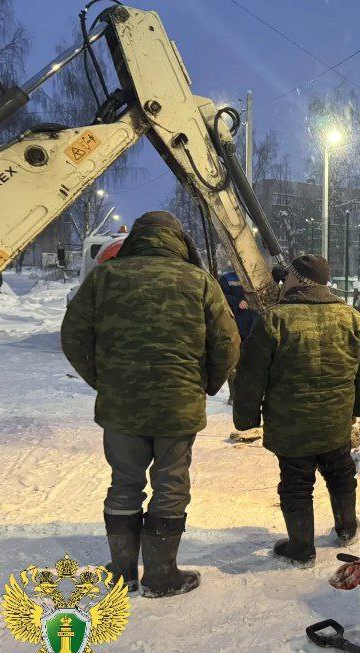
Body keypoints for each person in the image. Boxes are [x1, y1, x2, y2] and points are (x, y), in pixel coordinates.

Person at [61, 211, 240, 598]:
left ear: (136, 239)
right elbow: (227, 342)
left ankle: (122, 572)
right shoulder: (200, 282)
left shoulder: (104, 278)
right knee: (171, 482)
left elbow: (74, 337)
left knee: (124, 482)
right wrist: (205, 384)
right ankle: (161, 574)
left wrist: (105, 381)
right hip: (177, 404)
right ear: (179, 240)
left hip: (122, 405)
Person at [232, 254, 360, 564]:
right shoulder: (350, 317)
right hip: (336, 421)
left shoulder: (275, 320)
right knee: (340, 472)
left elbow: (250, 376)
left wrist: (246, 418)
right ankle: (347, 527)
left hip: (291, 425)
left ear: (297, 279)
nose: (284, 282)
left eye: (288, 277)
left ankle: (301, 549)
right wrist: (356, 408)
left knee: (296, 483)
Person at [218, 268, 260, 403]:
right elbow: (220, 295)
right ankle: (234, 395)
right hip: (236, 324)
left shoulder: (255, 277)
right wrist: (237, 302)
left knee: (253, 361)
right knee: (235, 360)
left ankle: (252, 394)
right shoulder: (228, 279)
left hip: (253, 324)